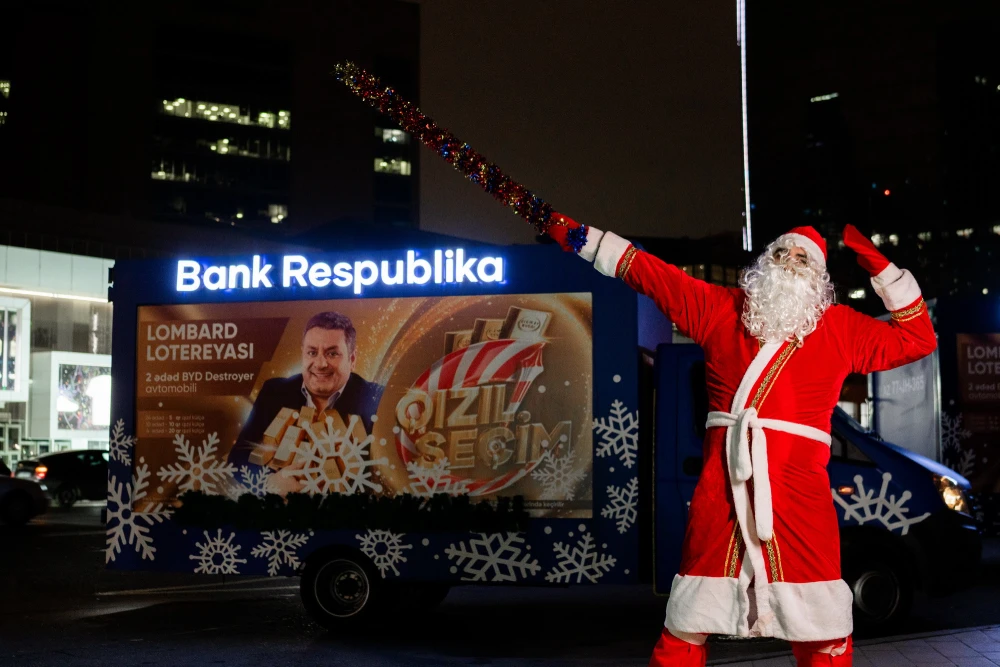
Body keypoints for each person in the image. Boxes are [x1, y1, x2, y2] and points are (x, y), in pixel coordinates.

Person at [548, 215, 936, 667]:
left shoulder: (841, 327)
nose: (789, 262)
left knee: (823, 629)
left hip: (801, 500)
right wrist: (581, 238)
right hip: (723, 492)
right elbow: (654, 275)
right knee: (686, 623)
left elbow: (918, 338)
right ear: (764, 264)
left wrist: (884, 272)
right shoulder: (721, 308)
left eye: (802, 259)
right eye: (781, 253)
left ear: (818, 277)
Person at [228, 311, 383, 468]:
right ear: (303, 354)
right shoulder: (273, 391)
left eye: (332, 354)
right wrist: (269, 480)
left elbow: (383, 471)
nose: (320, 364)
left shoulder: (377, 399)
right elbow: (237, 459)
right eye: (312, 353)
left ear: (352, 359)